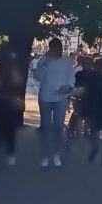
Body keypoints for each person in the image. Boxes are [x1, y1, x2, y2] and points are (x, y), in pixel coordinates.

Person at [33, 38, 76, 167]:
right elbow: (38, 77)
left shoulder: (67, 60)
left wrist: (69, 86)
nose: (59, 52)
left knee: (58, 125)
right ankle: (45, 154)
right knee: (45, 126)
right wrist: (45, 62)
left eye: (60, 49)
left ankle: (56, 153)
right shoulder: (43, 60)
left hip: (61, 97)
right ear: (50, 49)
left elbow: (71, 76)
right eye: (56, 49)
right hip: (46, 96)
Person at [0, 50, 26, 168]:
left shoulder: (16, 73)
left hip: (10, 106)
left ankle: (10, 155)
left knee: (10, 132)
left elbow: (18, 83)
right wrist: (1, 76)